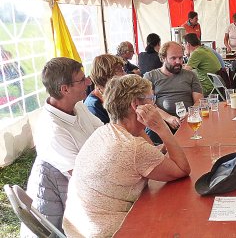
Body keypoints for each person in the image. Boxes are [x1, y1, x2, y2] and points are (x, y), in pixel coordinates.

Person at [63, 74, 191, 237]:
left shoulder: (105, 131)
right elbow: (182, 169)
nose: (154, 103)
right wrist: (162, 128)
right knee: (180, 218)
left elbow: (149, 154)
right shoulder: (133, 147)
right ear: (136, 104)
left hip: (77, 229)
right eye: (151, 98)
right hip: (112, 233)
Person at [23, 57, 103, 234]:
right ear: (65, 89)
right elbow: (85, 179)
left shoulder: (78, 106)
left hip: (87, 188)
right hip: (70, 210)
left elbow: (104, 135)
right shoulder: (53, 130)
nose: (88, 82)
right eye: (82, 80)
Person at [144, 41, 203, 143]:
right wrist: (168, 118)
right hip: (160, 122)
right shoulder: (150, 76)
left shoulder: (190, 75)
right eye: (173, 58)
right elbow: (149, 104)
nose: (178, 62)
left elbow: (199, 101)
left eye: (180, 58)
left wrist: (191, 114)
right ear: (163, 58)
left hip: (188, 121)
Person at [84, 54, 126, 123]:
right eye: (120, 70)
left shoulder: (115, 93)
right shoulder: (93, 106)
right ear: (106, 74)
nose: (124, 74)